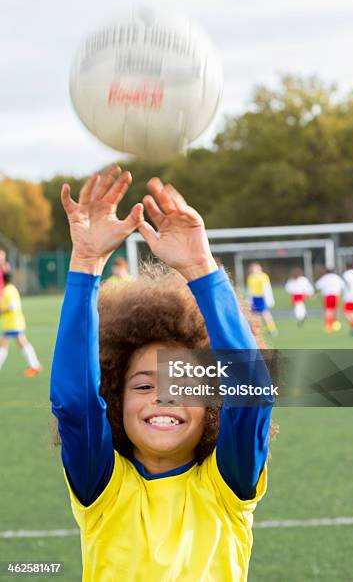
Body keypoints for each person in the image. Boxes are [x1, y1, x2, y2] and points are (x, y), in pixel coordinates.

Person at [50, 166, 274, 581]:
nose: (163, 397)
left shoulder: (227, 486)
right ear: (115, 399)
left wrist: (202, 268)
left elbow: (252, 393)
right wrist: (85, 264)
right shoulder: (103, 486)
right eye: (144, 385)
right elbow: (76, 403)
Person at [0, 272, 42, 376]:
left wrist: (2, 311)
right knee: (22, 343)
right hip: (15, 322)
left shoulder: (7, 291)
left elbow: (12, 306)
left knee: (4, 346)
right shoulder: (12, 288)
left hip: (12, 323)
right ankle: (35, 365)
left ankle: (35, 365)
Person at [246, 262, 278, 336]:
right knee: (255, 315)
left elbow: (267, 288)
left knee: (265, 314)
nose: (253, 270)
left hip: (261, 297)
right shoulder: (250, 277)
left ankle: (272, 329)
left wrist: (269, 299)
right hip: (254, 298)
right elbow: (249, 289)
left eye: (255, 268)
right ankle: (256, 330)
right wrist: (248, 299)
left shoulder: (263, 276)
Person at [315, 268, 344, 333]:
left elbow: (317, 286)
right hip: (335, 295)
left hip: (327, 296)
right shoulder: (337, 277)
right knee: (336, 310)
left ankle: (328, 325)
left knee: (328, 311)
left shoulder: (324, 277)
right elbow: (343, 286)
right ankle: (336, 324)